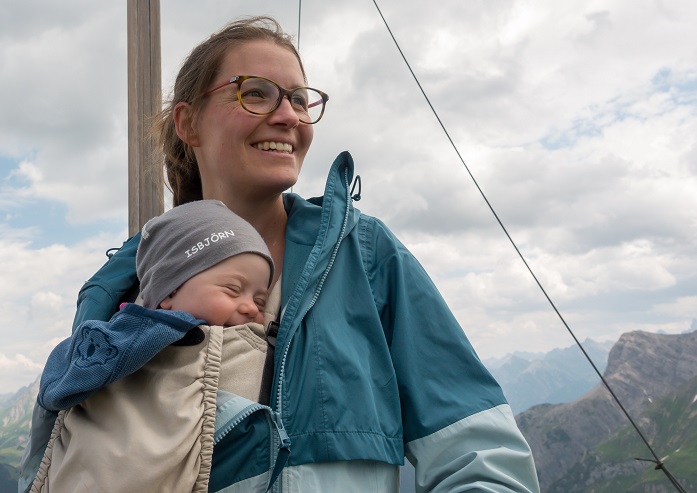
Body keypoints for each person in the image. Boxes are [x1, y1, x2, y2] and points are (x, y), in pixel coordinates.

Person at [21, 15, 541, 493]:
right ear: (189, 123)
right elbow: (58, 464)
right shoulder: (121, 285)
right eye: (257, 93)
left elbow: (483, 462)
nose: (288, 116)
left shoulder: (364, 258)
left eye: (298, 98)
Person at [31, 200, 288, 492]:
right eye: (233, 289)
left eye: (259, 301)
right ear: (170, 291)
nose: (248, 308)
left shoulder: (252, 349)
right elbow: (57, 387)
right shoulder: (132, 335)